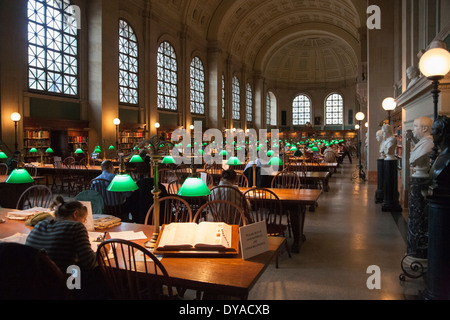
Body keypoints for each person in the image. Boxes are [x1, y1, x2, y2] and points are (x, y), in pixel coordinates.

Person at [25, 196, 106, 298]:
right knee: (99, 276)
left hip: (35, 283)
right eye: (84, 220)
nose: (83, 223)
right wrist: (103, 250)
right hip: (61, 284)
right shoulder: (75, 226)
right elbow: (89, 263)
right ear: (75, 214)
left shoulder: (40, 224)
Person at [429, 115, 450, 196]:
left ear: (441, 132)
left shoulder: (447, 159)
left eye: (433, 129)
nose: (431, 133)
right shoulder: (441, 155)